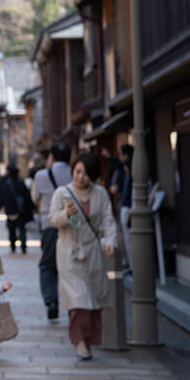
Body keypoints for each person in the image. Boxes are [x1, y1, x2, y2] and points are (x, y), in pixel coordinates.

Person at [49, 153, 118, 360]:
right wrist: (66, 215)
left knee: (93, 298)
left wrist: (111, 241)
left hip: (92, 250)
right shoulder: (62, 193)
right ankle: (79, 341)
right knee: (78, 298)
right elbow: (52, 219)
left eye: (86, 174)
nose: (81, 177)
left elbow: (108, 220)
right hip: (68, 250)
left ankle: (89, 340)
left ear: (94, 176)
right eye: (78, 172)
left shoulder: (101, 194)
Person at [31, 142, 73, 320]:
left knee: (48, 265)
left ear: (51, 157)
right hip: (72, 224)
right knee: (71, 266)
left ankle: (51, 301)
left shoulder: (41, 175)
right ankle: (73, 305)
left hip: (49, 225)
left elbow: (34, 197)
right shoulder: (75, 173)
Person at [0, 165, 34, 254]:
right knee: (21, 229)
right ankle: (23, 246)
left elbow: (2, 198)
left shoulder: (7, 184)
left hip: (10, 210)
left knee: (12, 229)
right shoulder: (21, 183)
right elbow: (27, 197)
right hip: (20, 210)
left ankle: (13, 246)